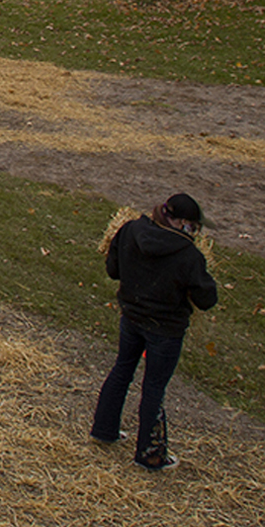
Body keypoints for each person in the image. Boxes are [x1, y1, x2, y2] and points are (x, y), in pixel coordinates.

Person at [90, 193, 219, 471]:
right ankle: (150, 455)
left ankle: (104, 429)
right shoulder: (189, 255)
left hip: (132, 317)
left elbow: (113, 270)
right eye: (194, 227)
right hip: (165, 330)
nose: (195, 232)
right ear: (183, 223)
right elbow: (207, 300)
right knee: (154, 387)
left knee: (122, 369)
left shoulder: (130, 230)